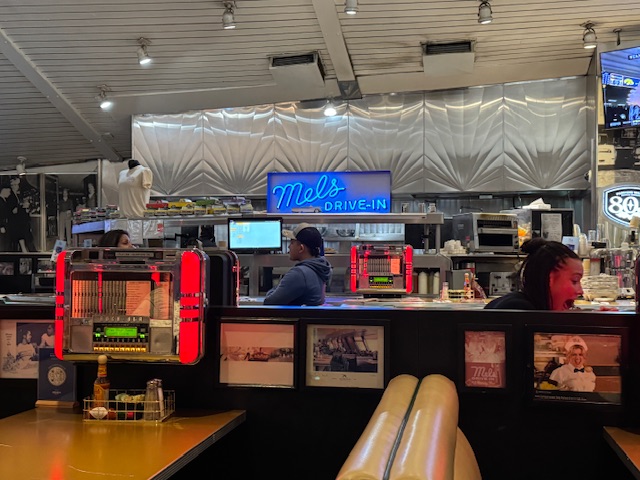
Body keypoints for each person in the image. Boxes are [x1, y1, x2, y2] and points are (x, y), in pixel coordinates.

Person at [484, 237, 583, 311]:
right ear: (549, 279)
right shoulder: (520, 310)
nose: (581, 291)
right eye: (574, 281)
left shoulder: (528, 305)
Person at [263, 223, 332, 306]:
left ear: (301, 248)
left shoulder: (299, 274)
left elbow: (270, 302)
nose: (289, 246)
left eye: (292, 243)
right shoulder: (321, 268)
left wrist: (275, 289)